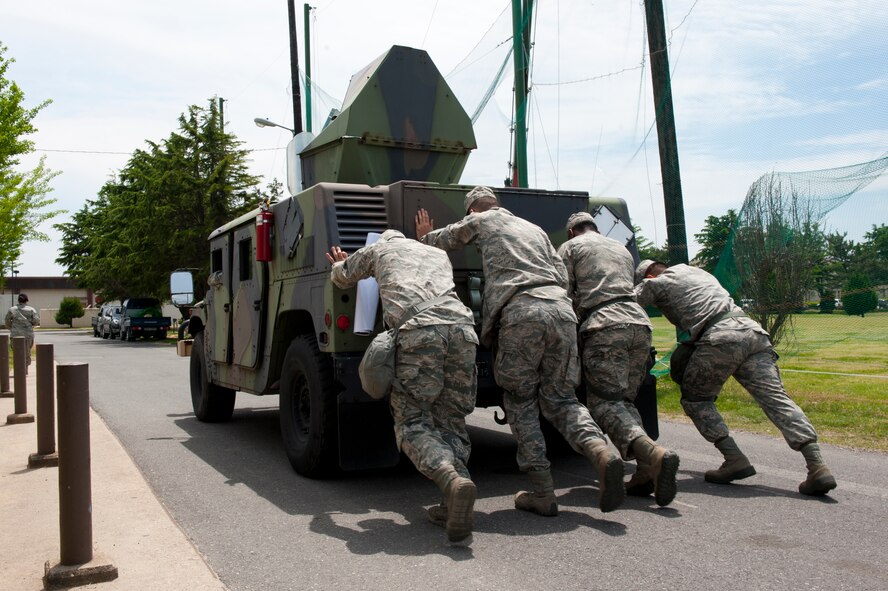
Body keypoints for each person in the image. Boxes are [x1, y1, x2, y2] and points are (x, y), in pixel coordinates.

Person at [415, 187, 624, 516]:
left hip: (522, 312)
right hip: (561, 310)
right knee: (562, 398)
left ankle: (542, 491)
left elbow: (447, 240)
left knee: (521, 400)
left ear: (472, 210)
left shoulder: (481, 220)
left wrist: (426, 236)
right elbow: (560, 274)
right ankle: (600, 451)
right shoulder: (535, 229)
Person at [326, 229, 479, 544]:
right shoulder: (437, 253)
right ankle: (452, 503)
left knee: (412, 421)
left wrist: (339, 264)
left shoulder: (380, 250)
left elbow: (342, 278)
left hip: (420, 331)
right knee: (451, 417)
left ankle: (451, 480)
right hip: (463, 332)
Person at [634, 260, 837, 496]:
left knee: (696, 401)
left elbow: (623, 300)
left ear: (648, 276)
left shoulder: (657, 282)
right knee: (776, 399)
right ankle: (817, 465)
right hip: (753, 332)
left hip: (721, 337)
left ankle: (734, 459)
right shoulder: (699, 273)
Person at [557, 213, 679, 507]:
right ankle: (645, 470)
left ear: (572, 231)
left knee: (603, 403)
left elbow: (564, 293)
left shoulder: (570, 248)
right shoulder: (620, 249)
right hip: (639, 325)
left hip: (604, 325)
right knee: (624, 401)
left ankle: (653, 453)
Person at [5, 293, 40, 366]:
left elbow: (7, 321)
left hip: (15, 334)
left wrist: (12, 328)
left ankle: (19, 370)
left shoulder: (12, 309)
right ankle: (25, 368)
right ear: (26, 300)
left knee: (17, 352)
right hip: (28, 334)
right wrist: (31, 325)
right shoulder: (31, 309)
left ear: (18, 300)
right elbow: (36, 321)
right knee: (27, 352)